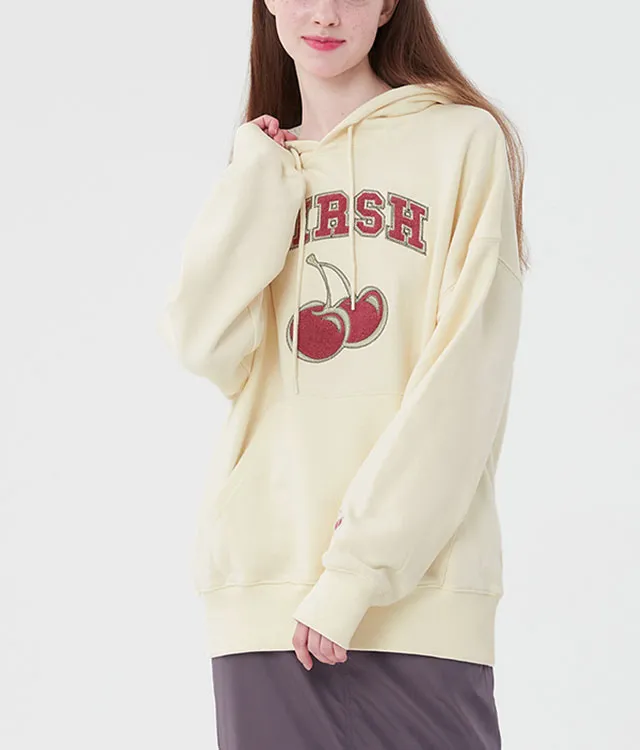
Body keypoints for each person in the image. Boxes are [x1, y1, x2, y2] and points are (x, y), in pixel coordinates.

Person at [159, 0, 528, 747]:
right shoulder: (267, 167)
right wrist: (258, 180)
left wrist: (357, 573)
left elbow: (466, 378)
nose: (325, 13)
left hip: (420, 594)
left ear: (389, 4)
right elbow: (205, 347)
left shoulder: (462, 141)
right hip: (266, 584)